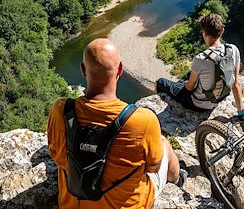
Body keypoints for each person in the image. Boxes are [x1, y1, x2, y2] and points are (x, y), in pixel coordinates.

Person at [48, 38, 185, 208]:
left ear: (83, 70)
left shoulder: (61, 109)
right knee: (164, 144)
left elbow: (55, 153)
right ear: (120, 69)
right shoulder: (143, 120)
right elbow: (153, 168)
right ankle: (178, 180)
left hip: (71, 204)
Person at [155, 13, 244, 116]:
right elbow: (236, 84)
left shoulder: (201, 58)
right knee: (191, 72)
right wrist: (241, 112)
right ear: (222, 31)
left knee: (161, 82)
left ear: (204, 33)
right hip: (217, 100)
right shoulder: (233, 50)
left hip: (198, 104)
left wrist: (184, 84)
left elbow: (189, 88)